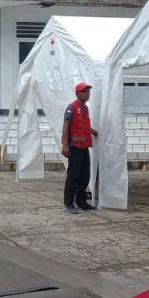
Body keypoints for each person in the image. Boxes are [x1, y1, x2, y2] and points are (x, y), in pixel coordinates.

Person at [61, 82, 99, 214]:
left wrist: (94, 132)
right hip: (74, 147)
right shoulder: (71, 108)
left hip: (84, 147)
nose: (87, 94)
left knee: (85, 175)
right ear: (77, 94)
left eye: (88, 91)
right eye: (84, 91)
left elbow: (84, 126)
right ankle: (68, 203)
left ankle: (82, 202)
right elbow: (66, 125)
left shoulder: (85, 108)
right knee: (73, 176)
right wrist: (65, 145)